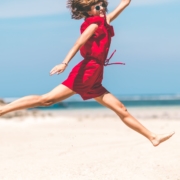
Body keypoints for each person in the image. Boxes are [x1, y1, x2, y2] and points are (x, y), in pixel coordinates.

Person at [0, 0, 174, 146]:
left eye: (103, 5)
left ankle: (153, 137)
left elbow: (121, 7)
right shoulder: (92, 24)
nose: (102, 9)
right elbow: (77, 44)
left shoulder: (103, 21)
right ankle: (2, 111)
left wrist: (124, 4)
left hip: (96, 74)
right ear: (88, 11)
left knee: (121, 109)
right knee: (47, 100)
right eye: (97, 7)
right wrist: (64, 63)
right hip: (87, 72)